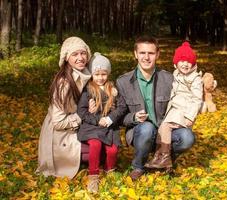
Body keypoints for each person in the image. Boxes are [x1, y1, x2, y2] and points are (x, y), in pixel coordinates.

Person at [114, 35, 196, 181]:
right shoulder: (123, 82)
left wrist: (207, 85)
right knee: (146, 129)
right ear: (135, 54)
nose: (146, 57)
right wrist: (133, 118)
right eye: (142, 53)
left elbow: (191, 86)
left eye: (151, 53)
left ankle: (166, 159)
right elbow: (120, 116)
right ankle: (138, 166)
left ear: (157, 54)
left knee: (187, 137)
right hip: (139, 132)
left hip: (164, 132)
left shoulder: (169, 79)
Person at [36, 36, 91, 179]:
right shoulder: (64, 84)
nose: (80, 58)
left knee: (104, 144)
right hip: (60, 134)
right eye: (75, 54)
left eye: (83, 53)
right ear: (66, 58)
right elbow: (58, 122)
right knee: (95, 152)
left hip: (76, 127)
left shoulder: (85, 74)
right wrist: (83, 115)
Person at [145, 42, 203, 169]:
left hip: (184, 111)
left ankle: (165, 157)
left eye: (188, 61)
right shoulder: (177, 74)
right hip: (175, 109)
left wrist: (190, 116)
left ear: (193, 63)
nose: (185, 64)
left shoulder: (194, 78)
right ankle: (158, 156)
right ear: (176, 62)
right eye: (181, 60)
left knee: (165, 127)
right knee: (162, 129)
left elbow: (197, 99)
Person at [77, 52, 121, 193]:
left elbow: (122, 107)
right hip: (92, 126)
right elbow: (82, 111)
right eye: (97, 74)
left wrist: (110, 118)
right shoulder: (88, 90)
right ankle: (93, 176)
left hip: (109, 126)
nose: (100, 78)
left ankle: (110, 170)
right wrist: (97, 119)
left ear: (108, 74)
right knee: (95, 145)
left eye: (103, 74)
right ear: (92, 75)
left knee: (113, 150)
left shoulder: (113, 89)